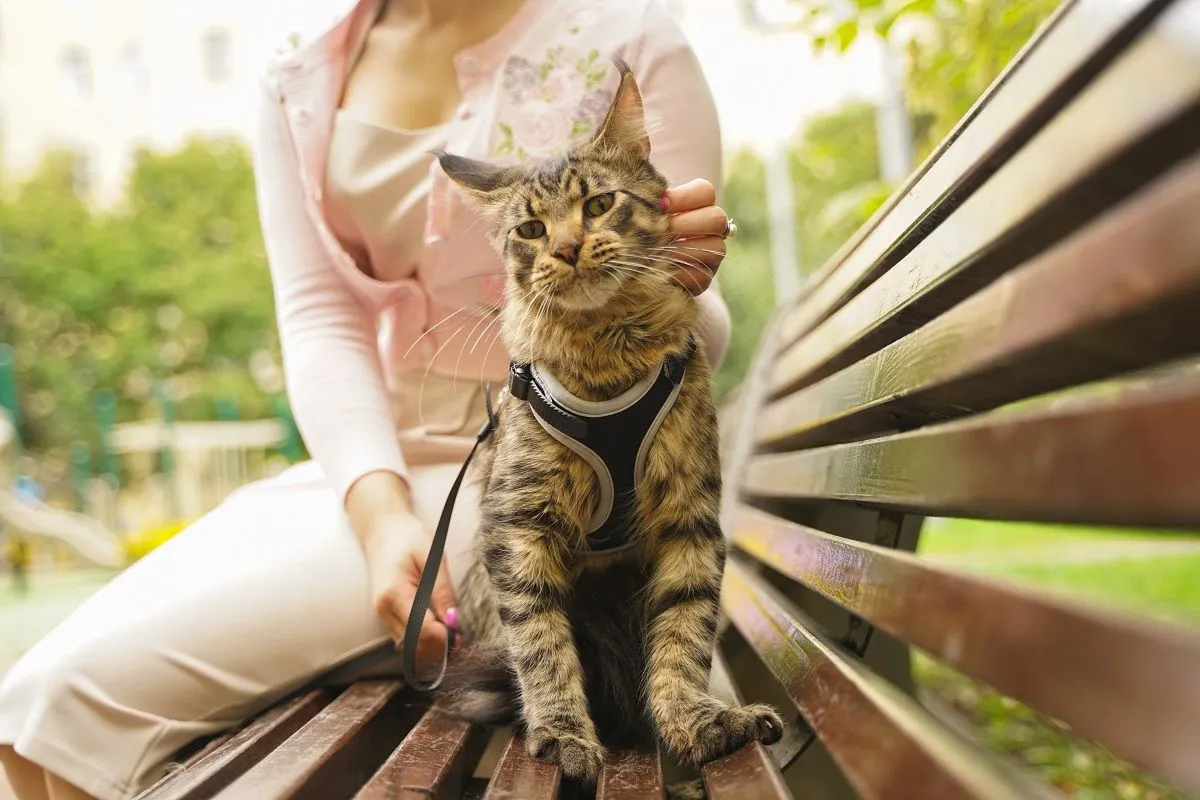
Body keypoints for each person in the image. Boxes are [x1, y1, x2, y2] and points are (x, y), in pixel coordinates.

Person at [0, 1, 733, 798]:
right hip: (364, 466)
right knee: (28, 712)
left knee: (72, 703)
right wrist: (377, 515)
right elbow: (319, 316)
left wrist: (686, 280)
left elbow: (692, 310)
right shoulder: (299, 70)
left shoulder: (628, 35)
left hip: (530, 470)